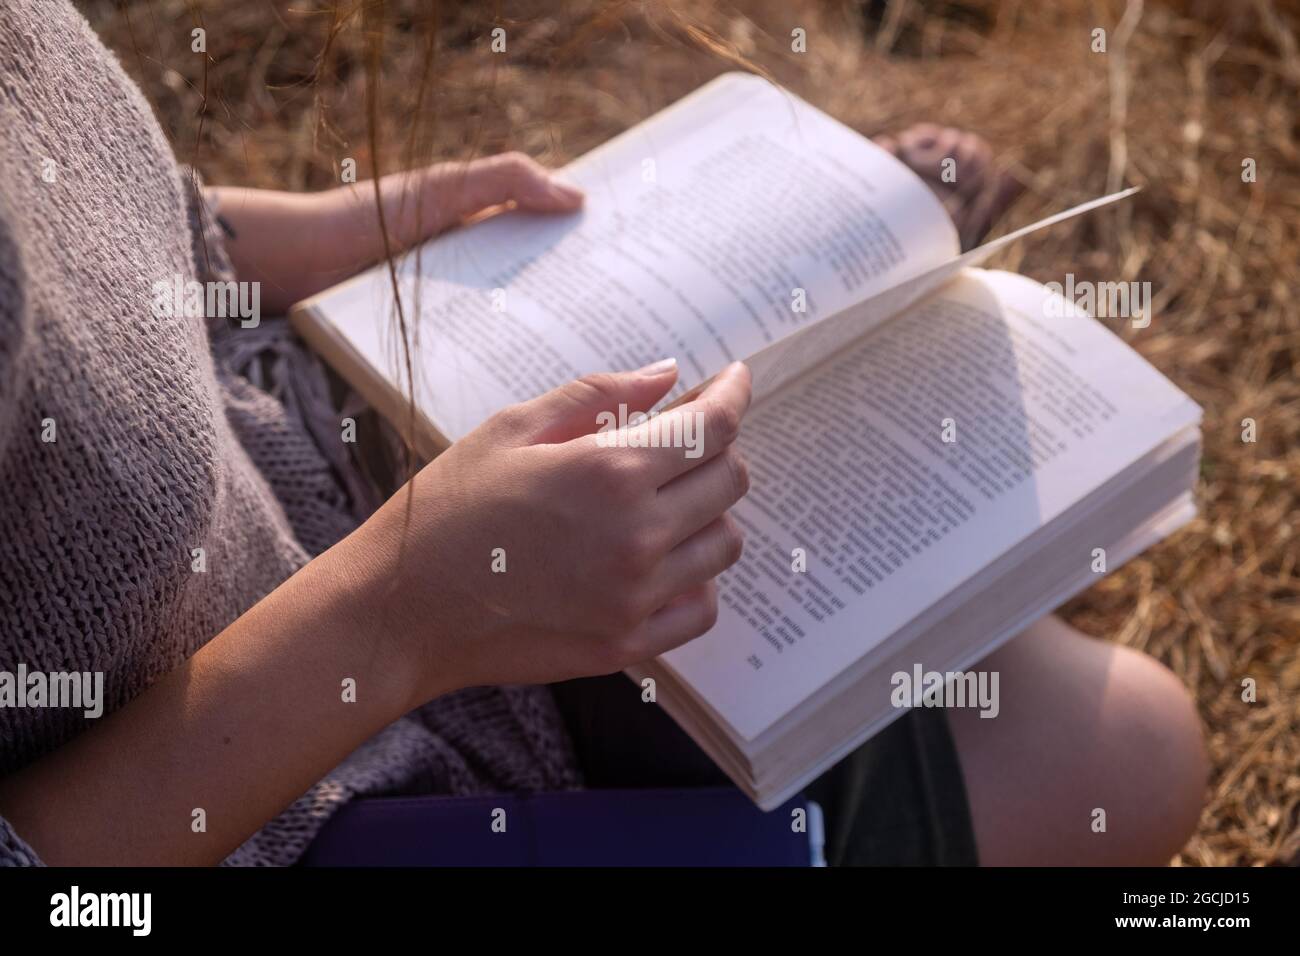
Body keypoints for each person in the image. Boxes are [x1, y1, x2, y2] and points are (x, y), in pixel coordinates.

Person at [0, 0, 1206, 867]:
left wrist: (283, 240)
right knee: (1131, 747)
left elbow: (72, 215)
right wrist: (408, 617)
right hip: (320, 785)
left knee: (1002, 616)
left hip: (330, 420)